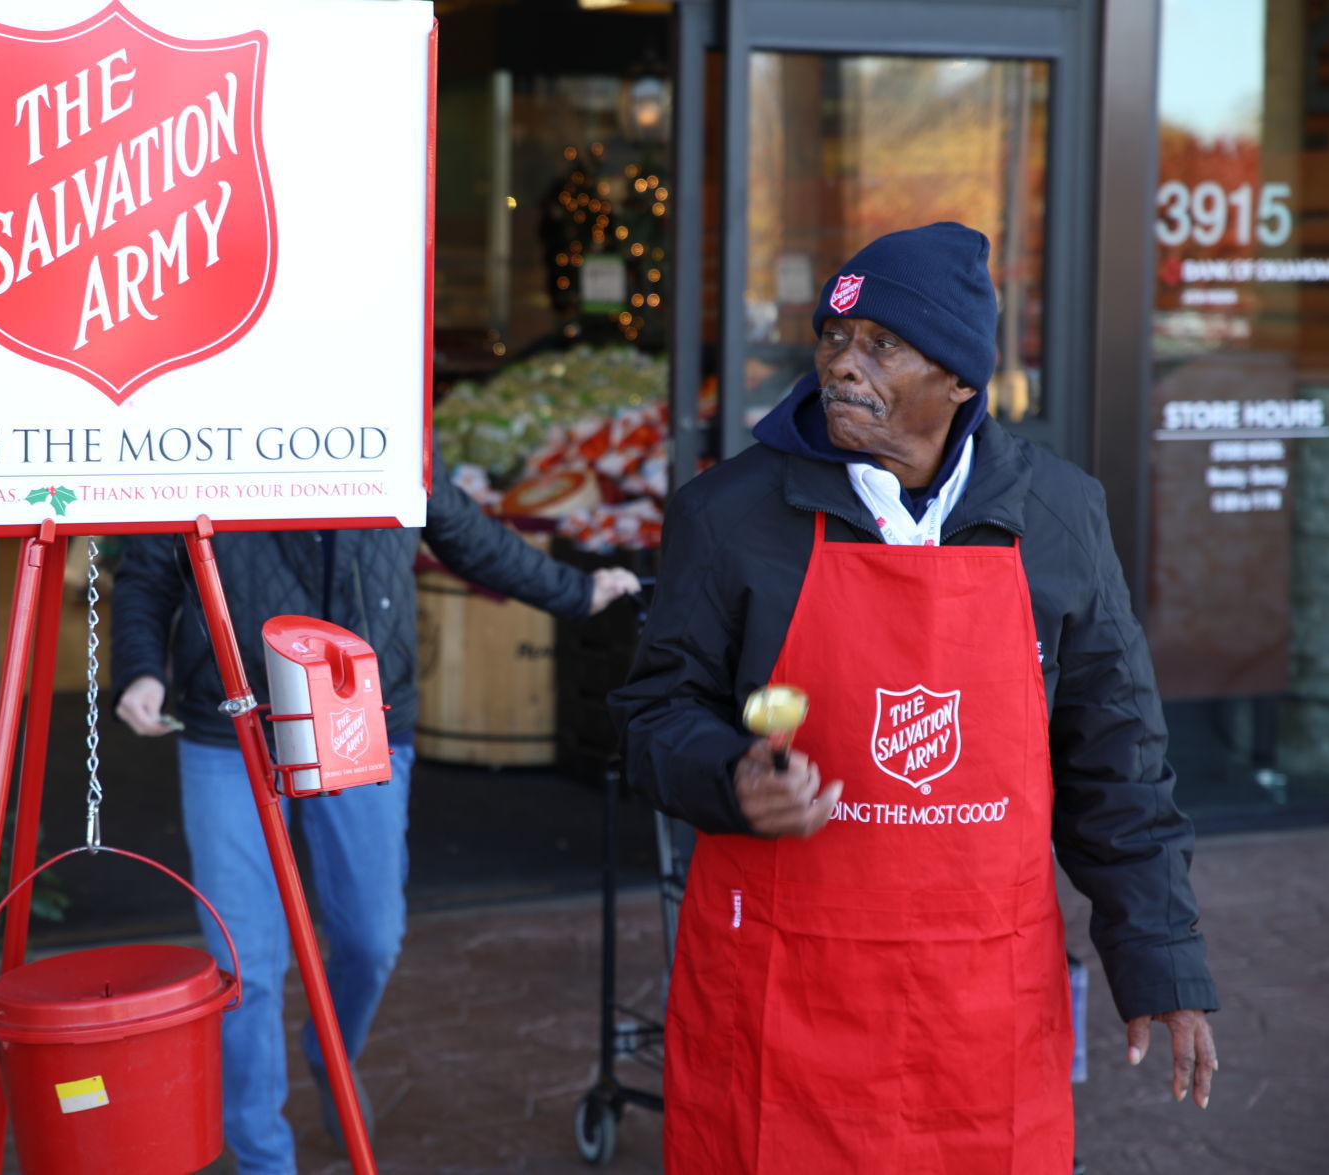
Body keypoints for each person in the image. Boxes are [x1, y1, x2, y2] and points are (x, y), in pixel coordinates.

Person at [609, 222, 1219, 1174]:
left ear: (962, 382)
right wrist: (726, 775)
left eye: (881, 346)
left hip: (982, 998)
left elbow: (1117, 758)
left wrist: (1161, 962)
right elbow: (652, 716)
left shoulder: (1057, 514)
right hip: (784, 991)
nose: (842, 367)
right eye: (832, 340)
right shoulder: (728, 513)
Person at [110, 473, 639, 1175]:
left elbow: (459, 529)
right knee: (246, 965)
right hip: (229, 716)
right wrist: (141, 669)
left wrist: (574, 591)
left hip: (355, 708)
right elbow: (149, 563)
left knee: (371, 936)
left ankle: (332, 1048)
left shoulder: (387, 405)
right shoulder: (212, 410)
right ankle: (264, 1158)